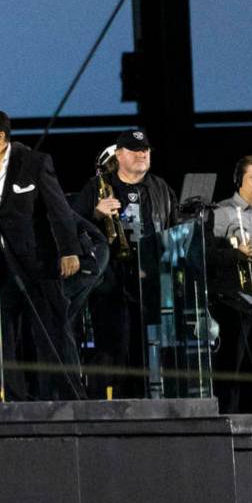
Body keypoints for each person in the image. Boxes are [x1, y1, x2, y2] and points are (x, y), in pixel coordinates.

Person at [0, 108, 82, 401]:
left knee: (51, 332)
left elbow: (58, 209)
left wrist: (69, 250)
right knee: (3, 338)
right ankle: (14, 400)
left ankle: (68, 397)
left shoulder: (34, 162)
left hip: (37, 263)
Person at [73, 130, 178, 398]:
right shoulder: (97, 187)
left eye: (146, 149)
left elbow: (175, 228)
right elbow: (71, 224)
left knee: (147, 349)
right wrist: (96, 214)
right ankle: (111, 406)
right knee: (112, 348)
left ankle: (145, 404)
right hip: (110, 282)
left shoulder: (160, 188)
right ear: (119, 155)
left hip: (149, 280)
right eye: (135, 149)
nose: (143, 153)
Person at [207, 155, 252, 413]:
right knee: (232, 374)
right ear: (240, 180)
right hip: (235, 303)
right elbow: (207, 255)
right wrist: (234, 253)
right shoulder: (221, 212)